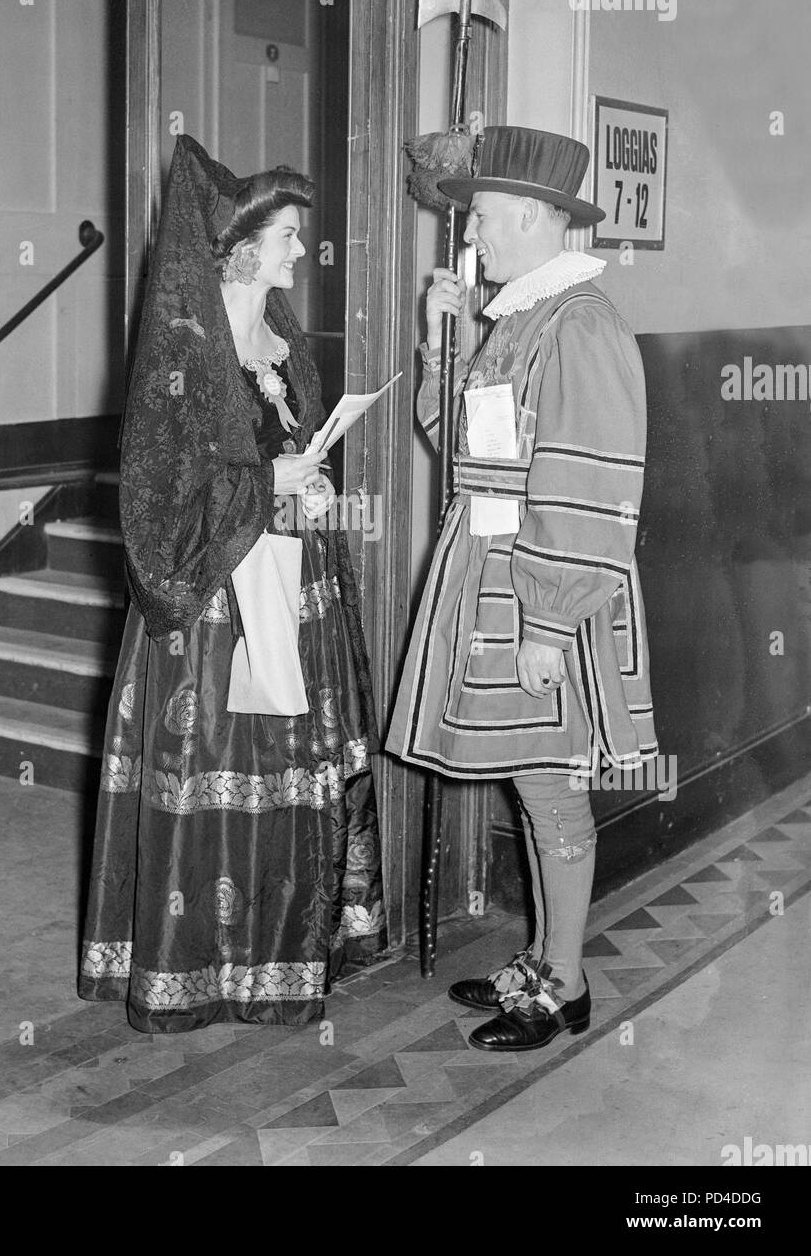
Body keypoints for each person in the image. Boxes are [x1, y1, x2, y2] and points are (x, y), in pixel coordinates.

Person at [79, 135, 384, 1032]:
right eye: (289, 234)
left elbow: (286, 452)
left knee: (292, 765)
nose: (299, 250)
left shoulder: (286, 342)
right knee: (214, 769)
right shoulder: (181, 346)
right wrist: (267, 485)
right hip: (210, 607)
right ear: (244, 247)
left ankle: (278, 960)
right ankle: (197, 969)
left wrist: (312, 482)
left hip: (292, 581)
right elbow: (157, 491)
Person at [387, 126, 657, 1052]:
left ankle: (565, 984)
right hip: (495, 579)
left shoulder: (582, 323)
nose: (476, 236)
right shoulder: (518, 317)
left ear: (541, 218)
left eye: (489, 217)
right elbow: (457, 442)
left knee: (549, 784)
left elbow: (593, 484)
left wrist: (547, 622)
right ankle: (546, 962)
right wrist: (442, 339)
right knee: (531, 780)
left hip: (544, 592)